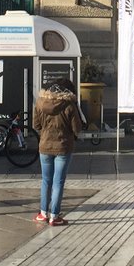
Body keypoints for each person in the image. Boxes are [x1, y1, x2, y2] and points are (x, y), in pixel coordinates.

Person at [34, 78, 83, 225]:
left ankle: (43, 213)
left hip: (44, 147)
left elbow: (36, 125)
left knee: (46, 180)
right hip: (63, 147)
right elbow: (77, 128)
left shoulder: (40, 103)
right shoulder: (69, 105)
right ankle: (54, 216)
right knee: (58, 182)